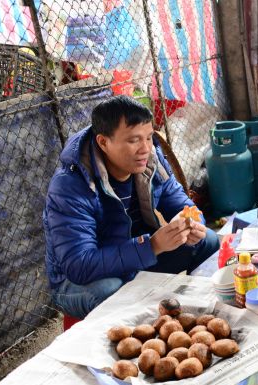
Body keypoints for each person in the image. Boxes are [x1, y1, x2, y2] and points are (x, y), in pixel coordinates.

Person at [44, 95, 219, 318]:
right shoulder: (71, 185)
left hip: (136, 258)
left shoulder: (151, 159)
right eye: (134, 140)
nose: (145, 148)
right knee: (110, 290)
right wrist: (152, 246)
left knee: (207, 239)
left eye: (149, 137)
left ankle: (194, 315)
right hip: (80, 281)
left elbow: (179, 202)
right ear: (103, 142)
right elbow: (80, 265)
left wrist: (190, 224)